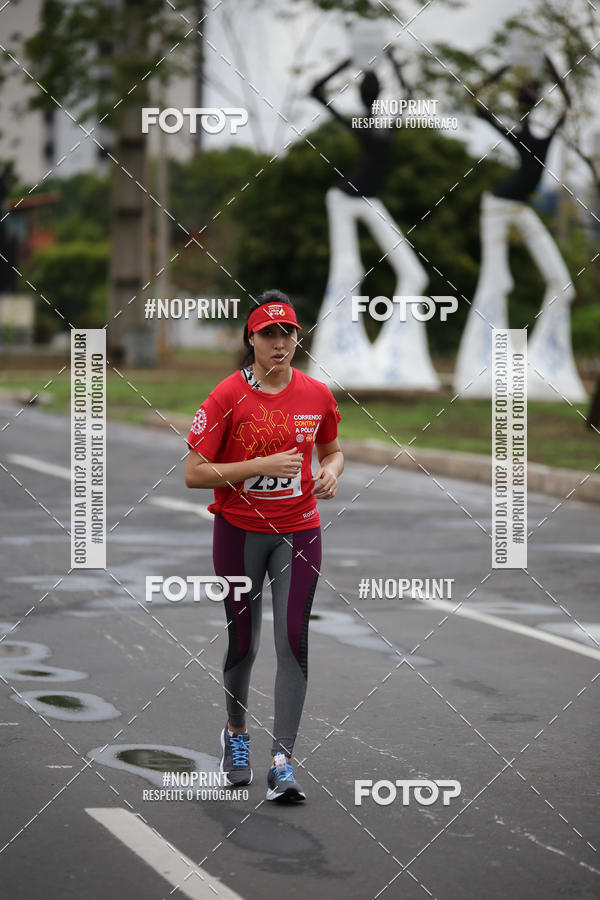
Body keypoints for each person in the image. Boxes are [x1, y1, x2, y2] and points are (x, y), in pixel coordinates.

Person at [185, 289, 344, 802]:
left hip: (299, 530)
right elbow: (193, 473)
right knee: (245, 642)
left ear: (299, 337)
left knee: (292, 639)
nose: (280, 343)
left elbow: (334, 450)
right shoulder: (226, 396)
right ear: (250, 339)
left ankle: (282, 762)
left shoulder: (317, 395)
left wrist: (330, 471)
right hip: (239, 534)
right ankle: (236, 734)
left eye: (288, 333)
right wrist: (258, 466)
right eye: (268, 334)